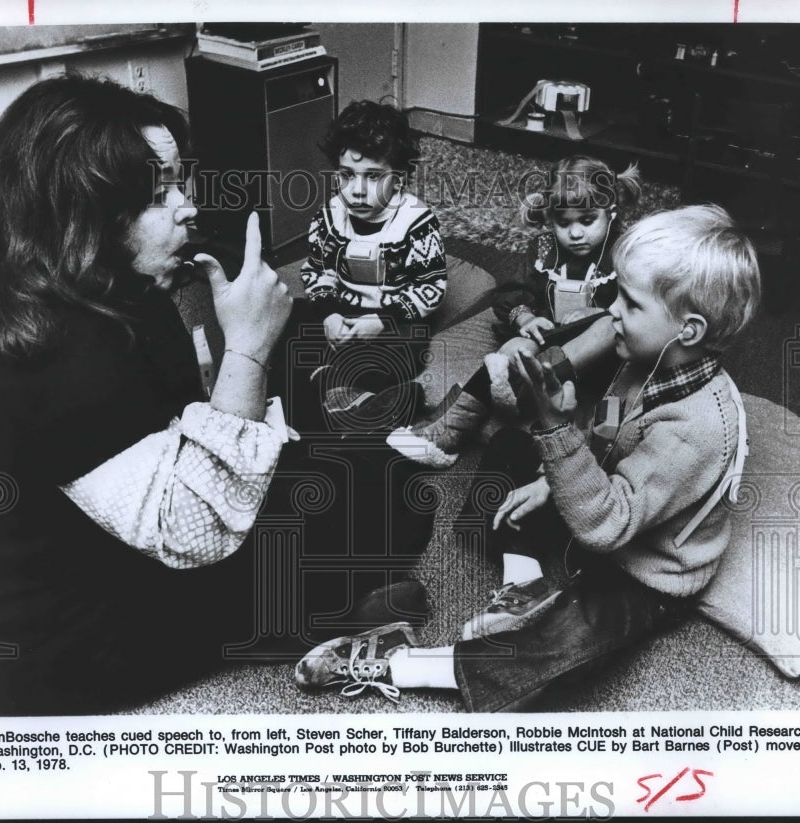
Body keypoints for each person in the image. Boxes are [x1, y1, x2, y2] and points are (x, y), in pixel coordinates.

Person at [0, 76, 433, 715]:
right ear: (85, 207)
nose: (187, 206)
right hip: (37, 648)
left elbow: (161, 427)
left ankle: (309, 599)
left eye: (180, 183)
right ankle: (305, 621)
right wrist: (246, 349)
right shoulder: (54, 342)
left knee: (349, 470)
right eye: (161, 194)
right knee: (390, 492)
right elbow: (197, 532)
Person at [295, 204, 761, 711]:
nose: (612, 314)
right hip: (601, 505)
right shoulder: (644, 359)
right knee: (508, 451)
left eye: (630, 304)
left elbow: (607, 526)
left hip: (644, 567)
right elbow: (604, 429)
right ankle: (525, 585)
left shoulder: (697, 427)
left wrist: (555, 431)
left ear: (687, 331)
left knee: (573, 642)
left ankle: (404, 664)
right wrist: (548, 476)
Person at [388, 155, 641, 467]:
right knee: (515, 349)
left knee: (608, 327)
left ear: (611, 212)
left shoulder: (625, 252)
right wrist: (525, 316)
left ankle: (521, 388)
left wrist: (597, 314)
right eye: (564, 223)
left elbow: (639, 304)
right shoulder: (544, 249)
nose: (575, 233)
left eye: (587, 221)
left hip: (593, 354)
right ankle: (449, 433)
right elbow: (512, 291)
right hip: (548, 339)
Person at [269, 99, 447, 434]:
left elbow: (431, 287)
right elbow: (317, 271)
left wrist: (381, 321)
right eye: (347, 175)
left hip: (391, 319)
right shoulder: (330, 214)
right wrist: (328, 315)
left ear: (399, 179)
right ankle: (287, 402)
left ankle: (358, 396)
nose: (357, 190)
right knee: (289, 320)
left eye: (374, 177)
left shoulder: (416, 221)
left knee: (408, 345)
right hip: (342, 311)